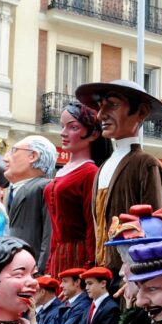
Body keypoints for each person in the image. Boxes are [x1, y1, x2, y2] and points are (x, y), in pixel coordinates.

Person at [74, 79, 162, 270]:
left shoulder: (146, 164)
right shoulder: (103, 167)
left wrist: (141, 271)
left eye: (113, 105)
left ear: (141, 112)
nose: (101, 114)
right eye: (100, 107)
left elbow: (154, 230)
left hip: (130, 275)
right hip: (101, 278)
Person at [45, 101, 113, 275]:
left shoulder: (90, 172)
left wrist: (90, 267)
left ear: (93, 134)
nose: (63, 133)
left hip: (79, 257)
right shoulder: (63, 171)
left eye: (72, 127)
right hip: (57, 256)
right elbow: (55, 229)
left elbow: (93, 226)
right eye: (62, 126)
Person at [4, 135, 57, 268]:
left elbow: (49, 235)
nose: (6, 158)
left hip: (31, 271)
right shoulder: (11, 191)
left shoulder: (44, 187)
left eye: (14, 151)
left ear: (33, 156)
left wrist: (41, 271)